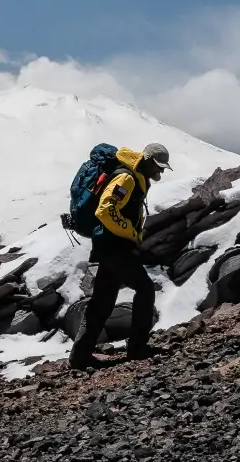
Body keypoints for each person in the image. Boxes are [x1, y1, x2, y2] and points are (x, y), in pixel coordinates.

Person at [70, 143, 170, 371]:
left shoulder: (134, 176)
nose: (160, 172)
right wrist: (130, 231)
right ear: (146, 159)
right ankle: (137, 347)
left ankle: (80, 357)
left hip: (108, 246)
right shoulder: (126, 179)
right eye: (158, 166)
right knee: (145, 289)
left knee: (103, 302)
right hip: (116, 246)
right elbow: (105, 210)